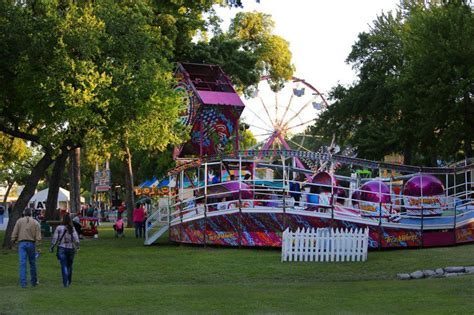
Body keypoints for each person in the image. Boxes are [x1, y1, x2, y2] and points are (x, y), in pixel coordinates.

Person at [11, 208, 41, 288]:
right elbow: (38, 235)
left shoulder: (19, 221)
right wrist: (38, 245)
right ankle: (34, 282)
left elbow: (15, 231)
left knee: (22, 264)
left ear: (24, 213)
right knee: (32, 263)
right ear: (31, 214)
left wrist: (13, 240)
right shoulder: (35, 222)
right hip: (31, 243)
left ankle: (23, 283)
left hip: (22, 243)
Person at [50, 213, 80, 288]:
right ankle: (69, 281)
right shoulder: (72, 228)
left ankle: (65, 282)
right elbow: (76, 239)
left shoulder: (59, 228)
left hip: (62, 248)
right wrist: (77, 246)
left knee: (64, 266)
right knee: (69, 265)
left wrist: (52, 246)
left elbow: (55, 239)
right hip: (70, 248)